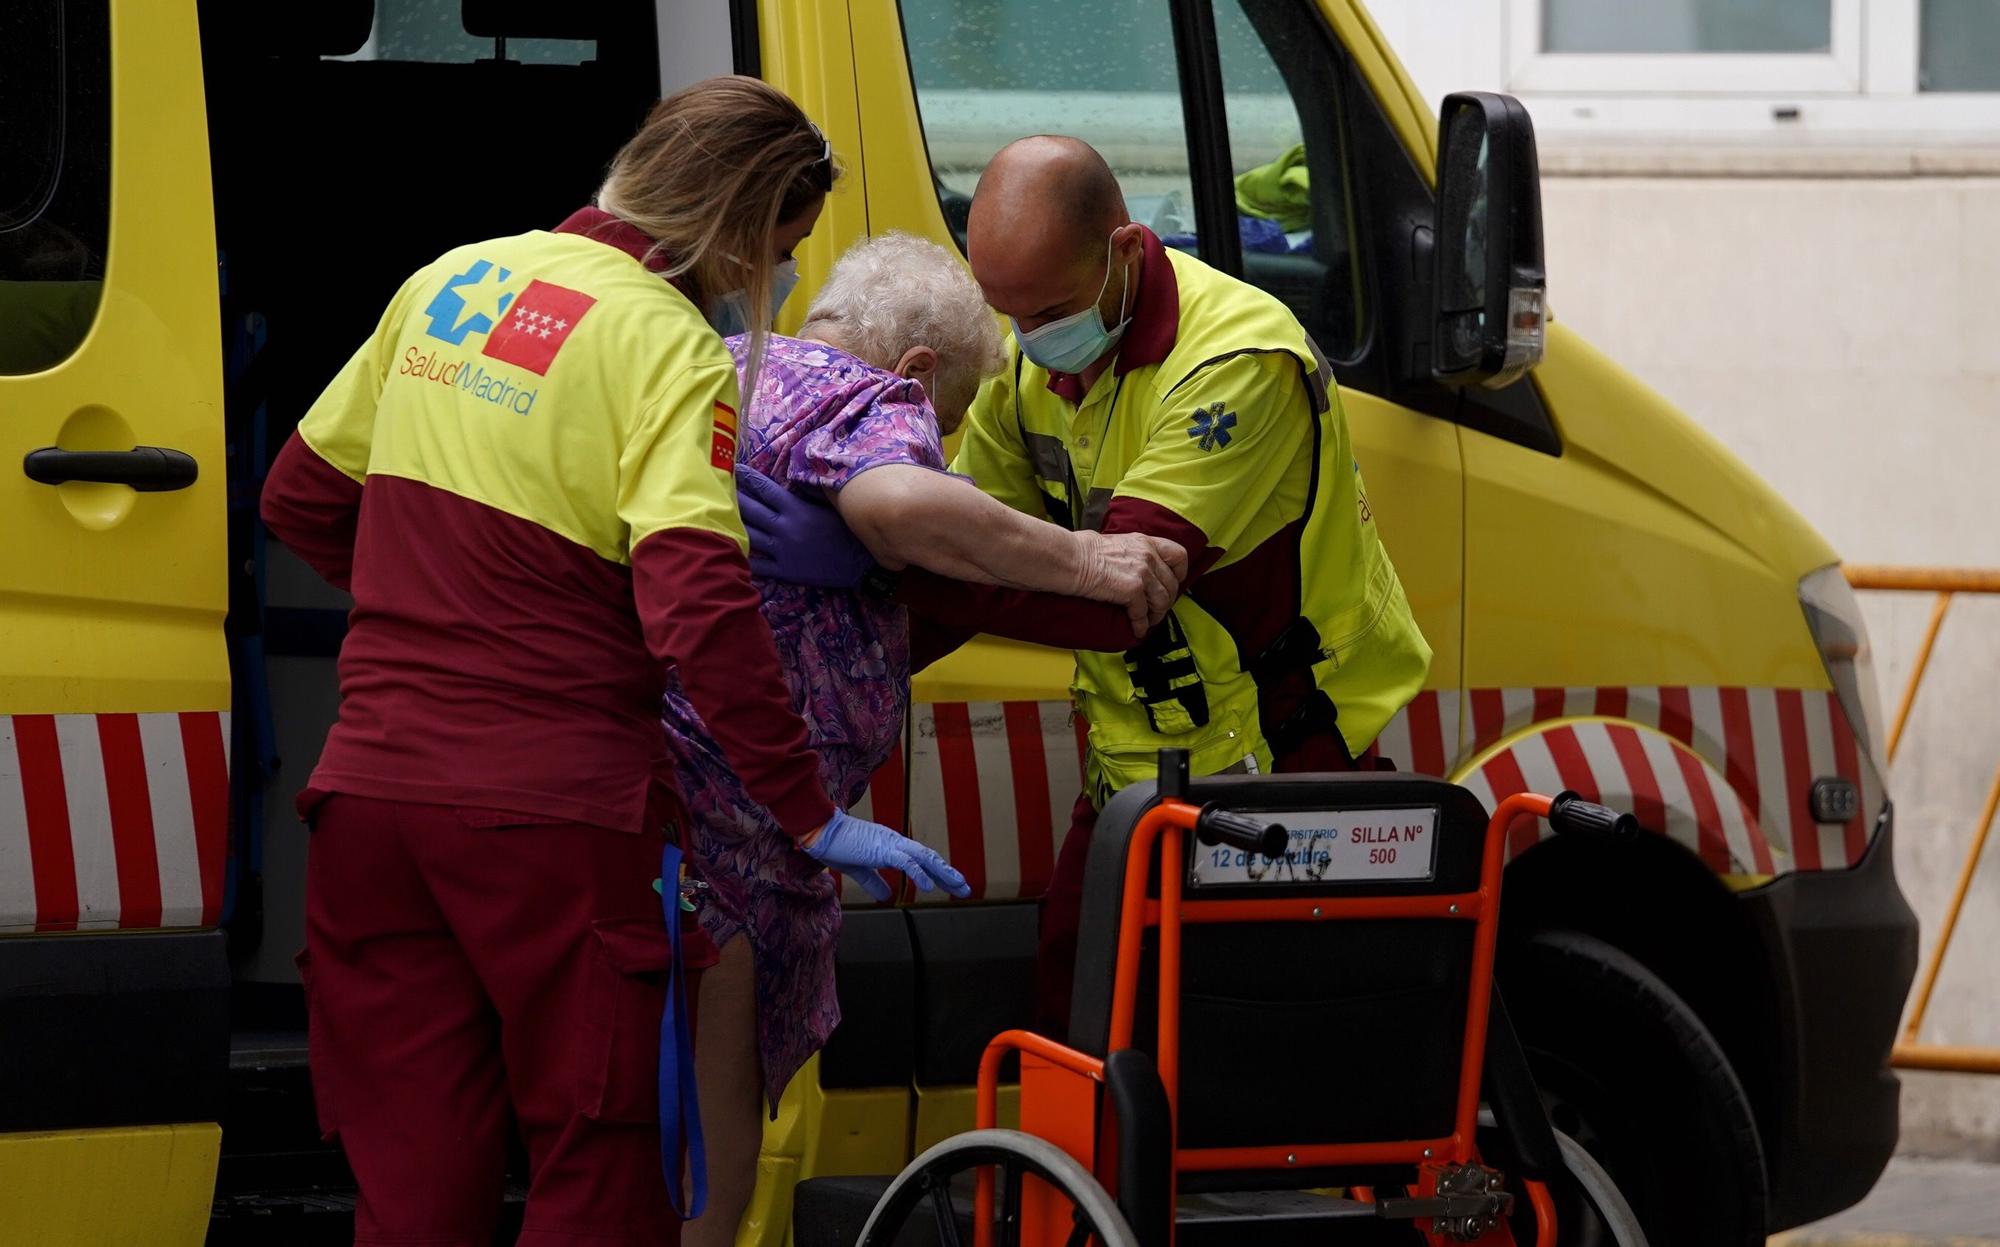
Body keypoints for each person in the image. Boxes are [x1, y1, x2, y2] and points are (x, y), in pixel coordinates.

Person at [258, 77, 967, 1247]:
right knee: (605, 1165)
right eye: (783, 249)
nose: (774, 285)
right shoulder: (668, 348)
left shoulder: (450, 280)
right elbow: (697, 600)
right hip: (554, 821)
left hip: (371, 807)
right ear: (742, 229)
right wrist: (802, 807)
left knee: (412, 1178)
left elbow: (300, 496)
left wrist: (440, 612)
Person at [745, 135, 1433, 1034]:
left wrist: (867, 556)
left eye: (1050, 310)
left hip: (1271, 771)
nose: (1030, 342)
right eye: (1008, 313)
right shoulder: (1038, 353)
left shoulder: (1237, 363)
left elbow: (1117, 602)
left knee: (1246, 1072)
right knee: (1077, 1042)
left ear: (1122, 248)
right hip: (1131, 775)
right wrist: (788, 675)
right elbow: (962, 549)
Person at [677, 232, 1187, 1246]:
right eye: (945, 422)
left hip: (660, 797)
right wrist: (1084, 560)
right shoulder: (866, 400)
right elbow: (904, 502)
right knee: (715, 1140)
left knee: (648, 1117)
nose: (938, 443)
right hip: (738, 830)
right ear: (915, 374)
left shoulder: (722, 367)